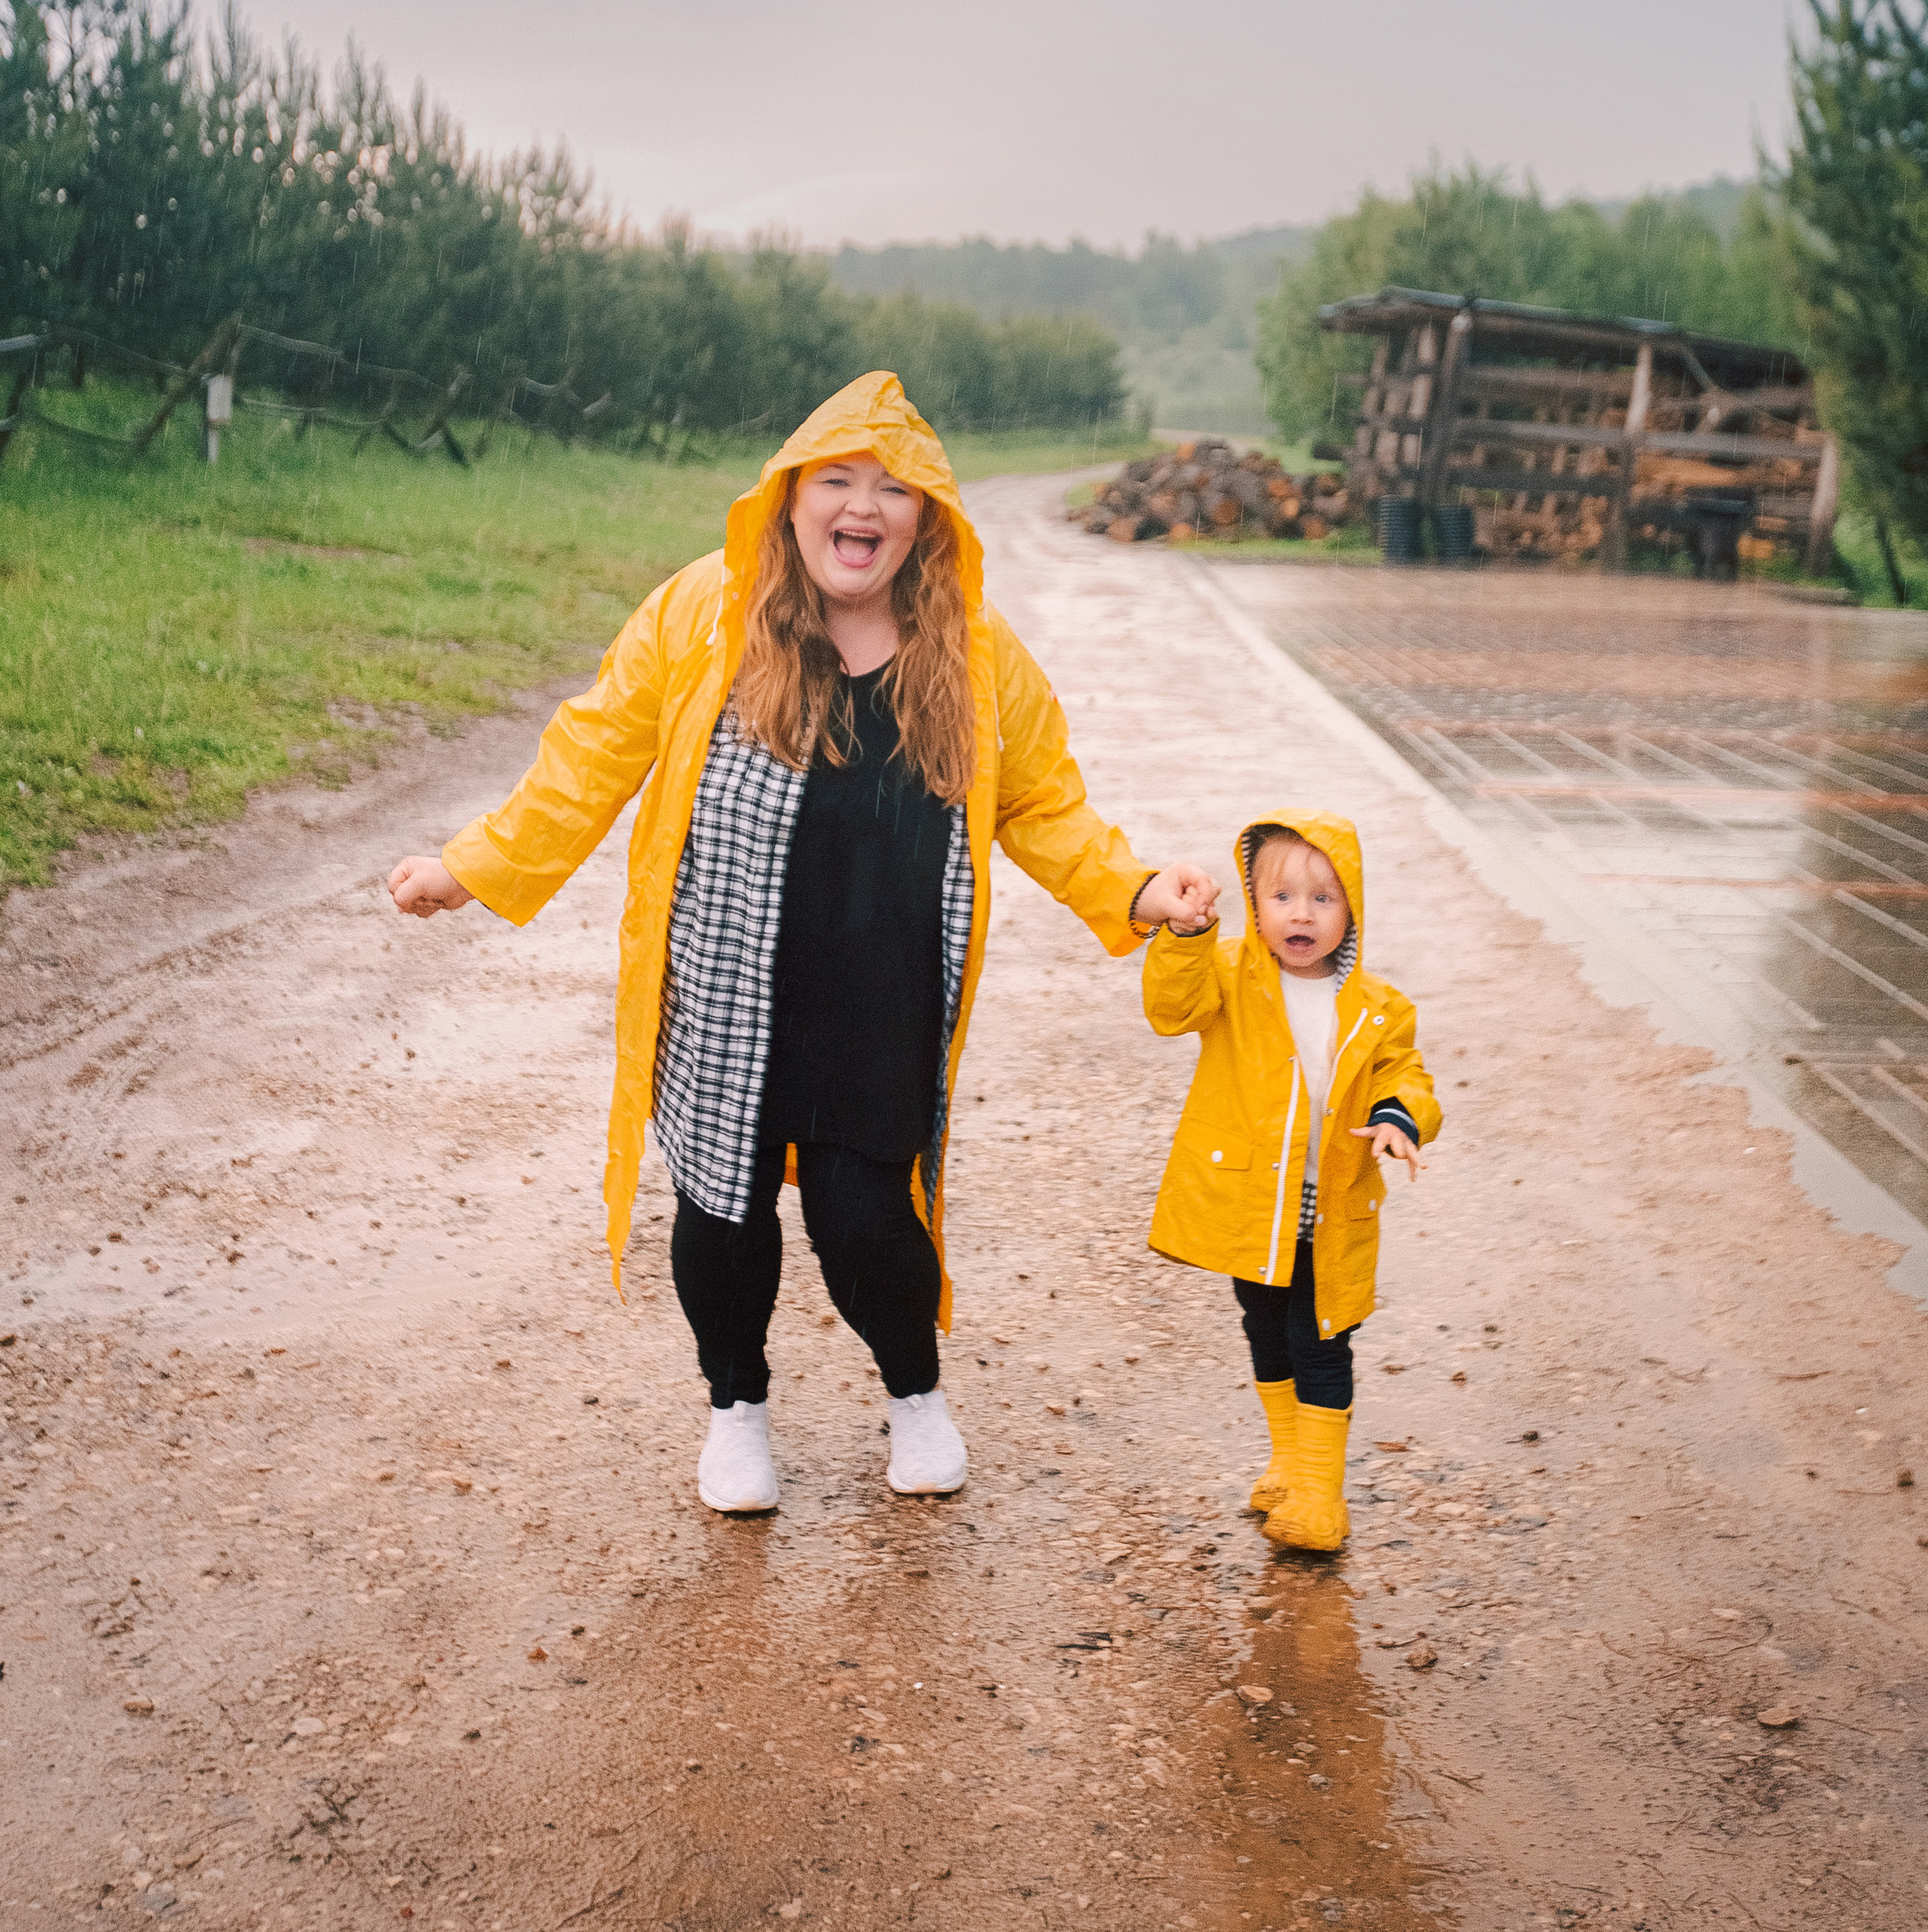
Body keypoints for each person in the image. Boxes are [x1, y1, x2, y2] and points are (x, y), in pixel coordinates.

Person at [389, 373, 1216, 1516]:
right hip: (728, 994)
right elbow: (591, 754)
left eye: (893, 489)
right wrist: (471, 866)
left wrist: (1134, 889)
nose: (862, 507)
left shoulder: (973, 656)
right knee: (721, 1213)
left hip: (879, 1000)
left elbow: (1045, 807)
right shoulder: (700, 617)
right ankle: (736, 1408)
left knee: (867, 1223)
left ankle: (915, 1392)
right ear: (790, 497)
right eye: (838, 480)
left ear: (926, 518)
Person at [1139, 813, 1439, 1552]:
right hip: (1254, 1201)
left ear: (1352, 911)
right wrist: (1184, 938)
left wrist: (1400, 1116)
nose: (1301, 914)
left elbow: (1406, 1075)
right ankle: (1287, 1461)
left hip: (1329, 1203)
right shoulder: (1231, 975)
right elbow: (1169, 1012)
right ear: (1252, 902)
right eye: (1282, 898)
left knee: (1321, 1336)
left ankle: (1318, 1493)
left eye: (1323, 899)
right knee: (1263, 1325)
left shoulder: (1378, 1004)